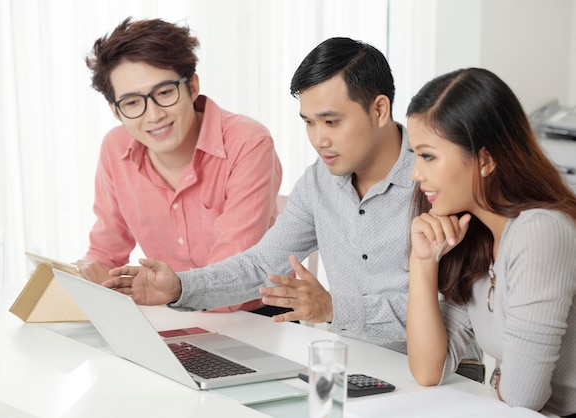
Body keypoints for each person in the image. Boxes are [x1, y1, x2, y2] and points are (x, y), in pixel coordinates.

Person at [104, 37, 414, 353]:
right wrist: (180, 287)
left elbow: (453, 315)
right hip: (356, 364)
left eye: (331, 121)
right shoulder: (318, 181)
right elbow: (261, 264)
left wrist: (335, 308)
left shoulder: (435, 182)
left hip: (440, 378)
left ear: (379, 110)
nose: (319, 139)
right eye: (309, 122)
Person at [77, 17, 282, 313]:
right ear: (115, 111)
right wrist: (79, 274)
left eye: (164, 93)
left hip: (256, 317)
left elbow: (232, 276)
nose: (154, 115)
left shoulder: (247, 141)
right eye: (132, 102)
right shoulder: (115, 148)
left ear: (192, 86)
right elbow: (106, 254)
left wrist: (171, 297)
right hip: (173, 314)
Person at [405, 68, 576, 417]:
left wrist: (503, 381)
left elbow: (522, 398)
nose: (416, 173)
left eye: (428, 156)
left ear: (484, 160)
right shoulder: (477, 234)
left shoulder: (539, 232)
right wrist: (423, 263)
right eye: (415, 155)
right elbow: (428, 370)